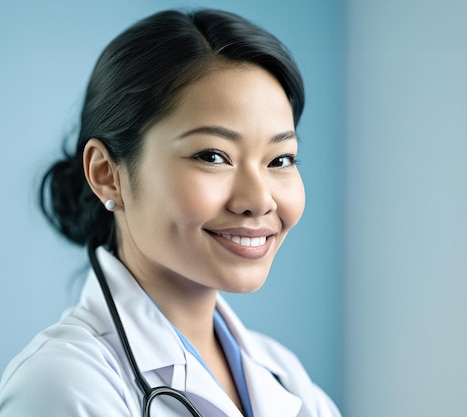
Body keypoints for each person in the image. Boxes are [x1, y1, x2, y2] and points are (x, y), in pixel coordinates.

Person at [0, 8, 340, 417]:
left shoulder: (283, 375)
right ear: (107, 175)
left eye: (280, 160)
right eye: (213, 156)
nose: (259, 199)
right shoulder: (62, 385)